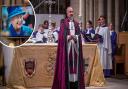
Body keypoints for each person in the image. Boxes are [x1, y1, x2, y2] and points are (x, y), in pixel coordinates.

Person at [52, 6, 85, 89]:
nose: (71, 13)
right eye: (70, 12)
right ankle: (67, 84)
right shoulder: (63, 24)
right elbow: (61, 37)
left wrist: (76, 37)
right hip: (67, 50)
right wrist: (68, 37)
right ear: (67, 13)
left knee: (75, 67)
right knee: (67, 67)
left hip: (75, 50)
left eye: (72, 12)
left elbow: (79, 37)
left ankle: (75, 84)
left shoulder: (77, 24)